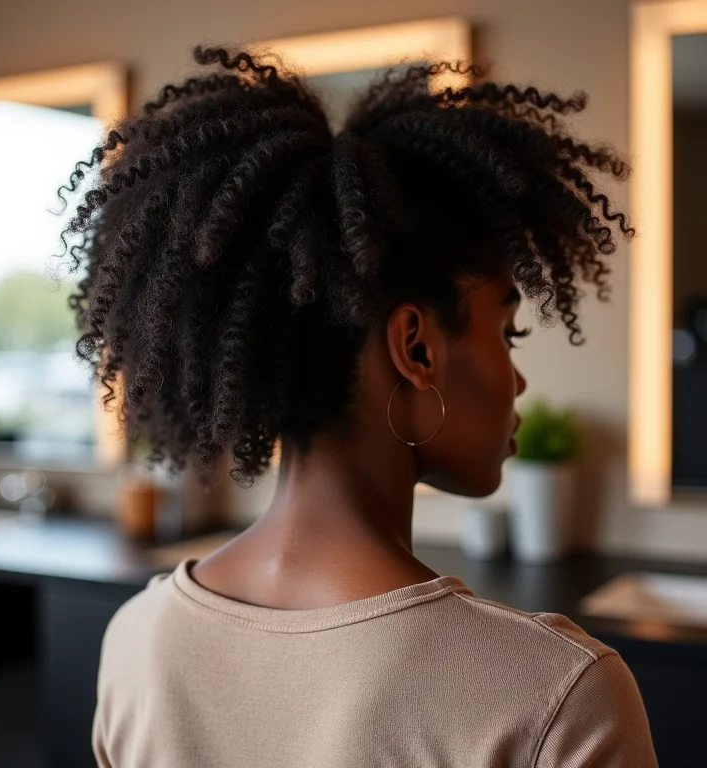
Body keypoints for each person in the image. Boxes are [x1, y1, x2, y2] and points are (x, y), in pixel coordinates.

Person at [56, 45, 658, 767]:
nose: (519, 381)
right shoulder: (558, 700)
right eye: (508, 330)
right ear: (417, 347)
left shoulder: (136, 639)